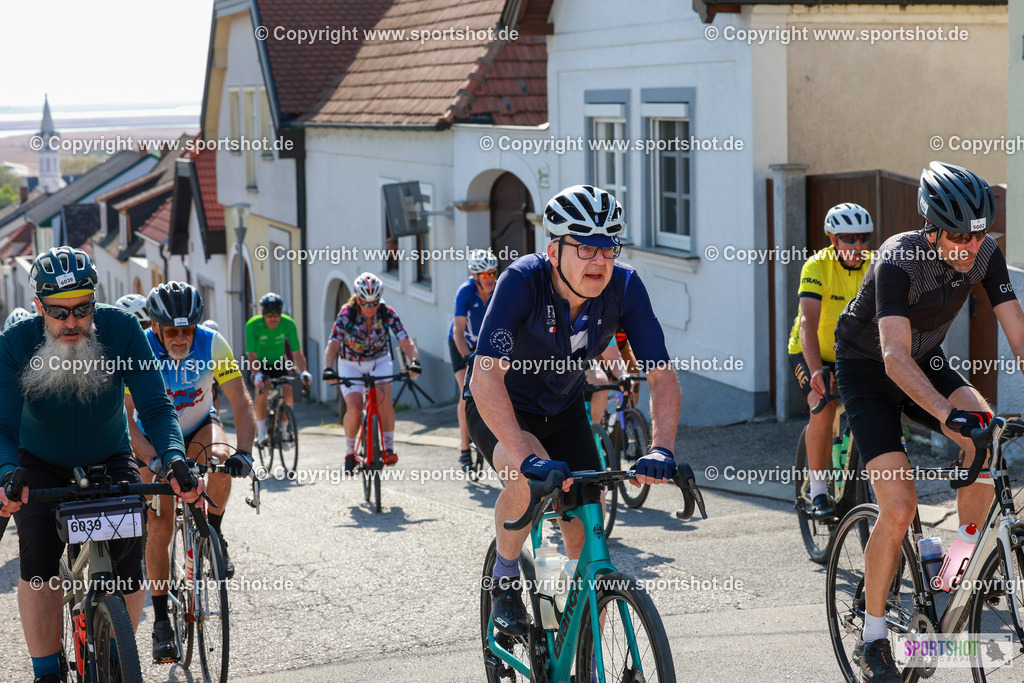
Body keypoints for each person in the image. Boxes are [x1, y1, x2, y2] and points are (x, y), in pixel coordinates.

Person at [833, 161, 1024, 682]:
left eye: (977, 234)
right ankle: (872, 640)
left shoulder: (984, 252)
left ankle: (952, 568)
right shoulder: (899, 258)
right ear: (932, 228)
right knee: (899, 507)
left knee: (985, 430)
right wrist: (946, 415)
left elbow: (1018, 335)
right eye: (958, 236)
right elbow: (893, 357)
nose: (969, 247)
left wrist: (967, 419)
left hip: (928, 358)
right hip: (869, 367)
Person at [465, 185, 681, 637]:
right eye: (584, 247)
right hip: (503, 406)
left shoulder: (625, 286)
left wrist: (661, 448)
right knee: (525, 480)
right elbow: (485, 378)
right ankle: (504, 581)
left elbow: (661, 375)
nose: (599, 261)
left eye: (607, 248)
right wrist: (526, 457)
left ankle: (578, 638)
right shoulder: (522, 281)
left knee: (586, 524)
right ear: (553, 250)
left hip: (563, 409)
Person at [0, 247, 202, 683]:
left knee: (130, 558)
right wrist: (5, 474)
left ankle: (115, 653)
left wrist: (173, 458)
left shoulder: (121, 329)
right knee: (37, 557)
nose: (72, 322)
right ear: (38, 307)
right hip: (39, 463)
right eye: (58, 312)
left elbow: (155, 405)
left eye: (82, 309)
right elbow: (2, 426)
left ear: (95, 300)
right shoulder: (15, 344)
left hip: (110, 456)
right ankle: (46, 672)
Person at [126, 282, 256, 661]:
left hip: (198, 427)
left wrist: (244, 453)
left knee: (219, 456)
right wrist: (152, 462)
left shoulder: (213, 343)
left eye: (188, 330)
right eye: (173, 331)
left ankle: (212, 531)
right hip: (153, 439)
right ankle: (162, 621)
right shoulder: (140, 350)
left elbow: (241, 402)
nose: (182, 338)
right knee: (161, 527)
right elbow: (127, 422)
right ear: (155, 328)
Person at [787, 203, 873, 520]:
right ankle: (819, 491)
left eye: (863, 238)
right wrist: (814, 372)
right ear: (833, 239)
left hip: (852, 354)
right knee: (821, 406)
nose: (857, 246)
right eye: (849, 238)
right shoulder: (816, 266)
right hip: (811, 350)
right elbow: (808, 321)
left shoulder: (874, 264)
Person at [323, 272, 422, 472]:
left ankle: (388, 447)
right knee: (355, 406)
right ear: (358, 300)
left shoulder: (387, 312)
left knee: (384, 398)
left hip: (379, 360)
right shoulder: (346, 313)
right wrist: (328, 368)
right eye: (365, 303)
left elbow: (405, 340)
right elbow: (333, 343)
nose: (370, 308)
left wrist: (414, 362)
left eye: (374, 303)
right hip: (350, 363)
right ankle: (350, 451)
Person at [449, 250, 497, 470]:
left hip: (485, 346)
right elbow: (458, 329)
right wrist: (467, 356)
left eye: (493, 274)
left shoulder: (498, 289)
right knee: (465, 391)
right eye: (485, 276)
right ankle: (464, 449)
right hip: (462, 344)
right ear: (476, 276)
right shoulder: (465, 292)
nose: (491, 279)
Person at [245, 293, 312, 447]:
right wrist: (257, 375)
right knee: (264, 387)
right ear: (262, 314)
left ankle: (284, 431)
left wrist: (304, 371)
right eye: (269, 315)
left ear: (281, 312)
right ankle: (261, 432)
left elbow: (296, 352)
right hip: (259, 364)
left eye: (276, 314)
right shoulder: (252, 325)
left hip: (278, 363)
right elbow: (251, 354)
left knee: (288, 392)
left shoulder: (288, 324)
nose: (273, 318)